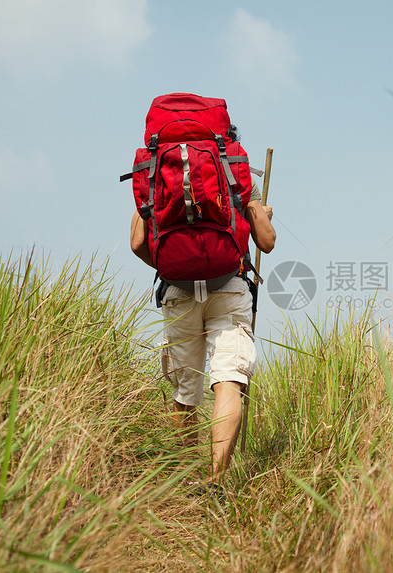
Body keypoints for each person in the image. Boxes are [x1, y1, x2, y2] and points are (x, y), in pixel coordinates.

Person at [129, 137, 276, 497]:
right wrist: (262, 215)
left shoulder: (156, 172)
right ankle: (215, 481)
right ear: (222, 137)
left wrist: (168, 266)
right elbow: (267, 242)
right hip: (229, 287)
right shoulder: (233, 170)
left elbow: (137, 243)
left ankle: (185, 481)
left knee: (185, 389)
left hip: (177, 290)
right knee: (228, 380)